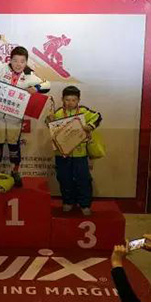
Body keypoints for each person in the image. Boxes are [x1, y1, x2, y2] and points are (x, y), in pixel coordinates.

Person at [0, 32, 50, 187]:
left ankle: (15, 171)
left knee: (14, 143)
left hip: (14, 117)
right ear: (10, 60)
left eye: (22, 61)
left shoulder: (29, 75)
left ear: (26, 62)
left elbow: (47, 84)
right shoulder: (2, 69)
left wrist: (36, 88)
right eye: (15, 61)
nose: (19, 64)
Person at [48, 86, 102, 216]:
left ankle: (85, 204)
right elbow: (51, 127)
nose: (70, 102)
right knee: (64, 179)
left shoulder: (83, 111)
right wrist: (49, 119)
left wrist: (90, 126)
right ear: (62, 99)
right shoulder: (58, 113)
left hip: (80, 154)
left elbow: (98, 117)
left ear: (78, 100)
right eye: (67, 100)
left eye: (73, 100)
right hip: (62, 154)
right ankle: (68, 202)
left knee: (83, 180)